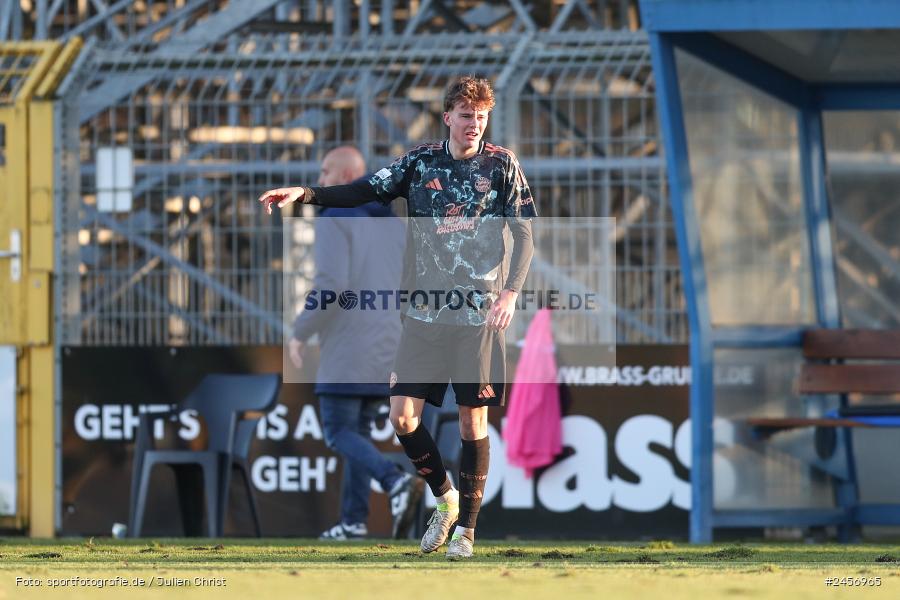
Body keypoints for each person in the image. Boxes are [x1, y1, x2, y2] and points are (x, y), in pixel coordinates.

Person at [261, 76, 536, 559]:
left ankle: (467, 533)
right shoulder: (421, 162)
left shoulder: (502, 164)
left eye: (481, 116)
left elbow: (525, 232)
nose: (474, 124)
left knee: (474, 425)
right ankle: (445, 499)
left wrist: (511, 293)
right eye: (466, 115)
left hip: (477, 315)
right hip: (424, 313)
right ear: (448, 117)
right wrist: (304, 193)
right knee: (402, 418)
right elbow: (362, 190)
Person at [288, 146, 424, 541]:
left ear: (346, 177)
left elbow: (330, 286)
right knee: (359, 432)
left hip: (349, 342)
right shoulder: (393, 223)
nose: (321, 180)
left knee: (336, 430)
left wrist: (301, 330)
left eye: (326, 172)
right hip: (388, 342)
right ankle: (352, 522)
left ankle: (394, 481)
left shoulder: (335, 215)